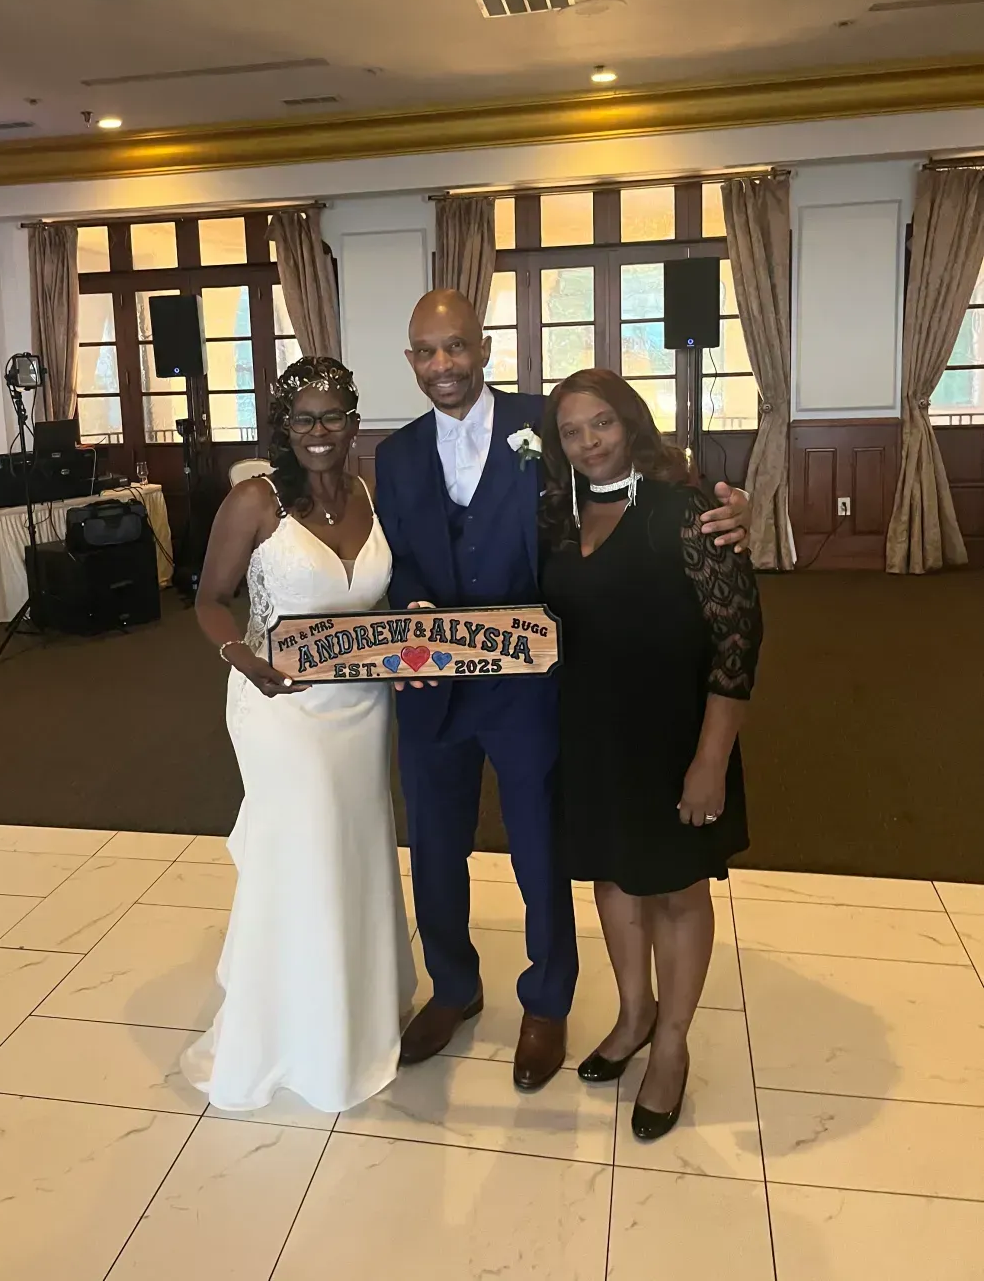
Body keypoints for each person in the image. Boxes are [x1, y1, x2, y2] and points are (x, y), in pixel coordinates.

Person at [375, 290, 752, 1092]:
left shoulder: (543, 426)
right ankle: (452, 987)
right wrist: (408, 606)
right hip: (431, 688)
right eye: (425, 351)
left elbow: (638, 479)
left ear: (482, 348)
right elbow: (395, 557)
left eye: (455, 346)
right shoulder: (395, 454)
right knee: (433, 849)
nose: (442, 364)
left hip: (535, 687)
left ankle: (546, 1003)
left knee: (541, 850)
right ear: (410, 360)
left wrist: (732, 510)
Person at [183, 356, 415, 1114]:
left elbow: (380, 603)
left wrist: (409, 639)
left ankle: (359, 1010)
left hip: (362, 707)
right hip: (279, 705)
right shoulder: (256, 500)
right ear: (283, 428)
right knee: (303, 855)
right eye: (303, 419)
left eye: (333, 416)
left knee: (353, 847)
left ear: (354, 422)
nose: (319, 432)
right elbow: (210, 600)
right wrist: (242, 657)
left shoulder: (368, 491)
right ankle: (295, 1032)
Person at [538, 368, 762, 1140]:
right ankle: (634, 1015)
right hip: (590, 734)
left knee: (676, 888)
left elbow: (737, 642)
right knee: (611, 875)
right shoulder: (557, 517)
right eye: (571, 431)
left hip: (673, 737)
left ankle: (671, 1043)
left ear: (630, 422)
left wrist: (710, 761)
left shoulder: (687, 511)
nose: (588, 442)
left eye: (601, 423)